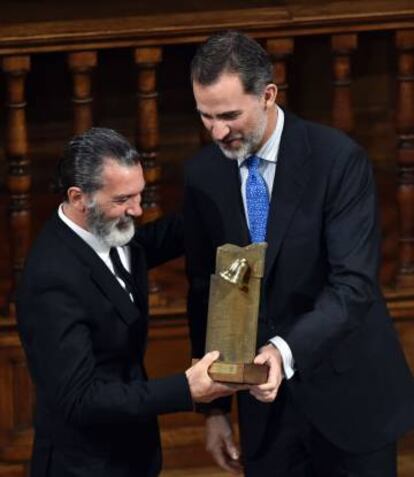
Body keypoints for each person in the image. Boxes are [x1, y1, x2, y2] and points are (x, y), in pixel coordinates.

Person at [184, 30, 414, 477]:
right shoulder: (203, 174)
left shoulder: (337, 160)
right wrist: (212, 409)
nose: (217, 131)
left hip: (349, 398)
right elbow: (204, 291)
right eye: (205, 116)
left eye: (229, 115)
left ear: (268, 95)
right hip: (265, 414)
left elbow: (353, 286)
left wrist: (283, 351)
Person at [16, 127, 239, 477]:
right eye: (122, 200)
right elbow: (80, 400)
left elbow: (149, 243)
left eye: (140, 194)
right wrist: (185, 387)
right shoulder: (52, 278)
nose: (136, 210)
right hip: (84, 466)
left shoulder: (107, 229)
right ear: (78, 198)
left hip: (133, 455)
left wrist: (221, 204)